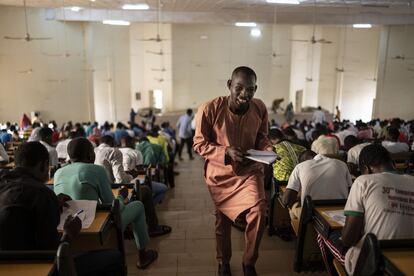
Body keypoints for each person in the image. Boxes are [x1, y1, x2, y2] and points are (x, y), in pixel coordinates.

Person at [193, 66, 273, 276]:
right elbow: (199, 144)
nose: (244, 94)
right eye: (239, 88)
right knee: (223, 220)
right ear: (229, 85)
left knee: (259, 211)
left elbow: (262, 138)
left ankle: (249, 262)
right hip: (221, 175)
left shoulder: (259, 108)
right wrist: (225, 152)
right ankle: (223, 262)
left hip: (249, 170)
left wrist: (268, 150)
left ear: (256, 89)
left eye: (250, 89)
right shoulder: (210, 108)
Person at [0, 142, 123, 275]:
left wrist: (54, 204)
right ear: (43, 164)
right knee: (114, 258)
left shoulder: (3, 184)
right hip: (36, 265)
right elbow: (56, 253)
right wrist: (69, 234)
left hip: (5, 265)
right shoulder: (42, 194)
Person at [53, 138, 158, 269]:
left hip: (67, 227)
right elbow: (114, 208)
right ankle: (143, 256)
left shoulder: (58, 173)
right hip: (94, 225)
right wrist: (121, 196)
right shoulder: (97, 170)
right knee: (138, 206)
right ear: (90, 155)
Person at [317, 145, 414, 275]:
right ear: (393, 163)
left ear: (367, 168)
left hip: (371, 262)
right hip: (406, 262)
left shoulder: (364, 181)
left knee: (324, 234)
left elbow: (348, 239)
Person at [282, 150, 352, 220]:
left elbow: (286, 201)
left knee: (293, 208)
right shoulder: (342, 164)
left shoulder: (300, 166)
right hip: (341, 213)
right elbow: (351, 192)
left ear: (304, 160)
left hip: (312, 216)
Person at [120, 136, 168, 205]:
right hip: (133, 184)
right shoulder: (136, 152)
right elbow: (141, 172)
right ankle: (149, 206)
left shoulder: (117, 152)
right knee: (163, 188)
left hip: (118, 185)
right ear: (132, 142)